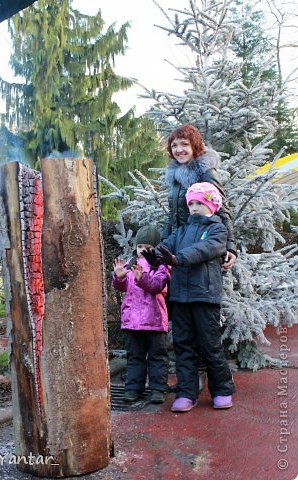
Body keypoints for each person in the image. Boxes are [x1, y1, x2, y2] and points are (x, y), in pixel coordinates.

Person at [142, 182, 235, 411]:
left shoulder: (217, 229)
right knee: (183, 345)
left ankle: (222, 390)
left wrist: (178, 259)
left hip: (204, 297)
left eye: (199, 203)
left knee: (210, 345)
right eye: (191, 203)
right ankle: (186, 392)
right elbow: (167, 245)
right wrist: (154, 256)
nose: (194, 207)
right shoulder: (181, 231)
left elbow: (207, 249)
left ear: (211, 205)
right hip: (181, 298)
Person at [162, 124, 237, 269]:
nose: (179, 150)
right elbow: (173, 214)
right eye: (174, 145)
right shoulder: (176, 176)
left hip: (199, 245)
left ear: (194, 146)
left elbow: (222, 208)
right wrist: (164, 241)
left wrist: (230, 245)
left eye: (184, 144)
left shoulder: (205, 173)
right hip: (178, 243)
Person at [112, 225, 170, 404]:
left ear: (156, 248)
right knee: (134, 356)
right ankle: (133, 387)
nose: (143, 251)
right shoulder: (130, 263)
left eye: (148, 248)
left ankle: (158, 388)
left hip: (154, 321)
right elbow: (122, 288)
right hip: (132, 322)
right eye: (140, 247)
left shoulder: (160, 266)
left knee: (157, 356)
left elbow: (157, 286)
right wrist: (119, 277)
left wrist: (142, 278)